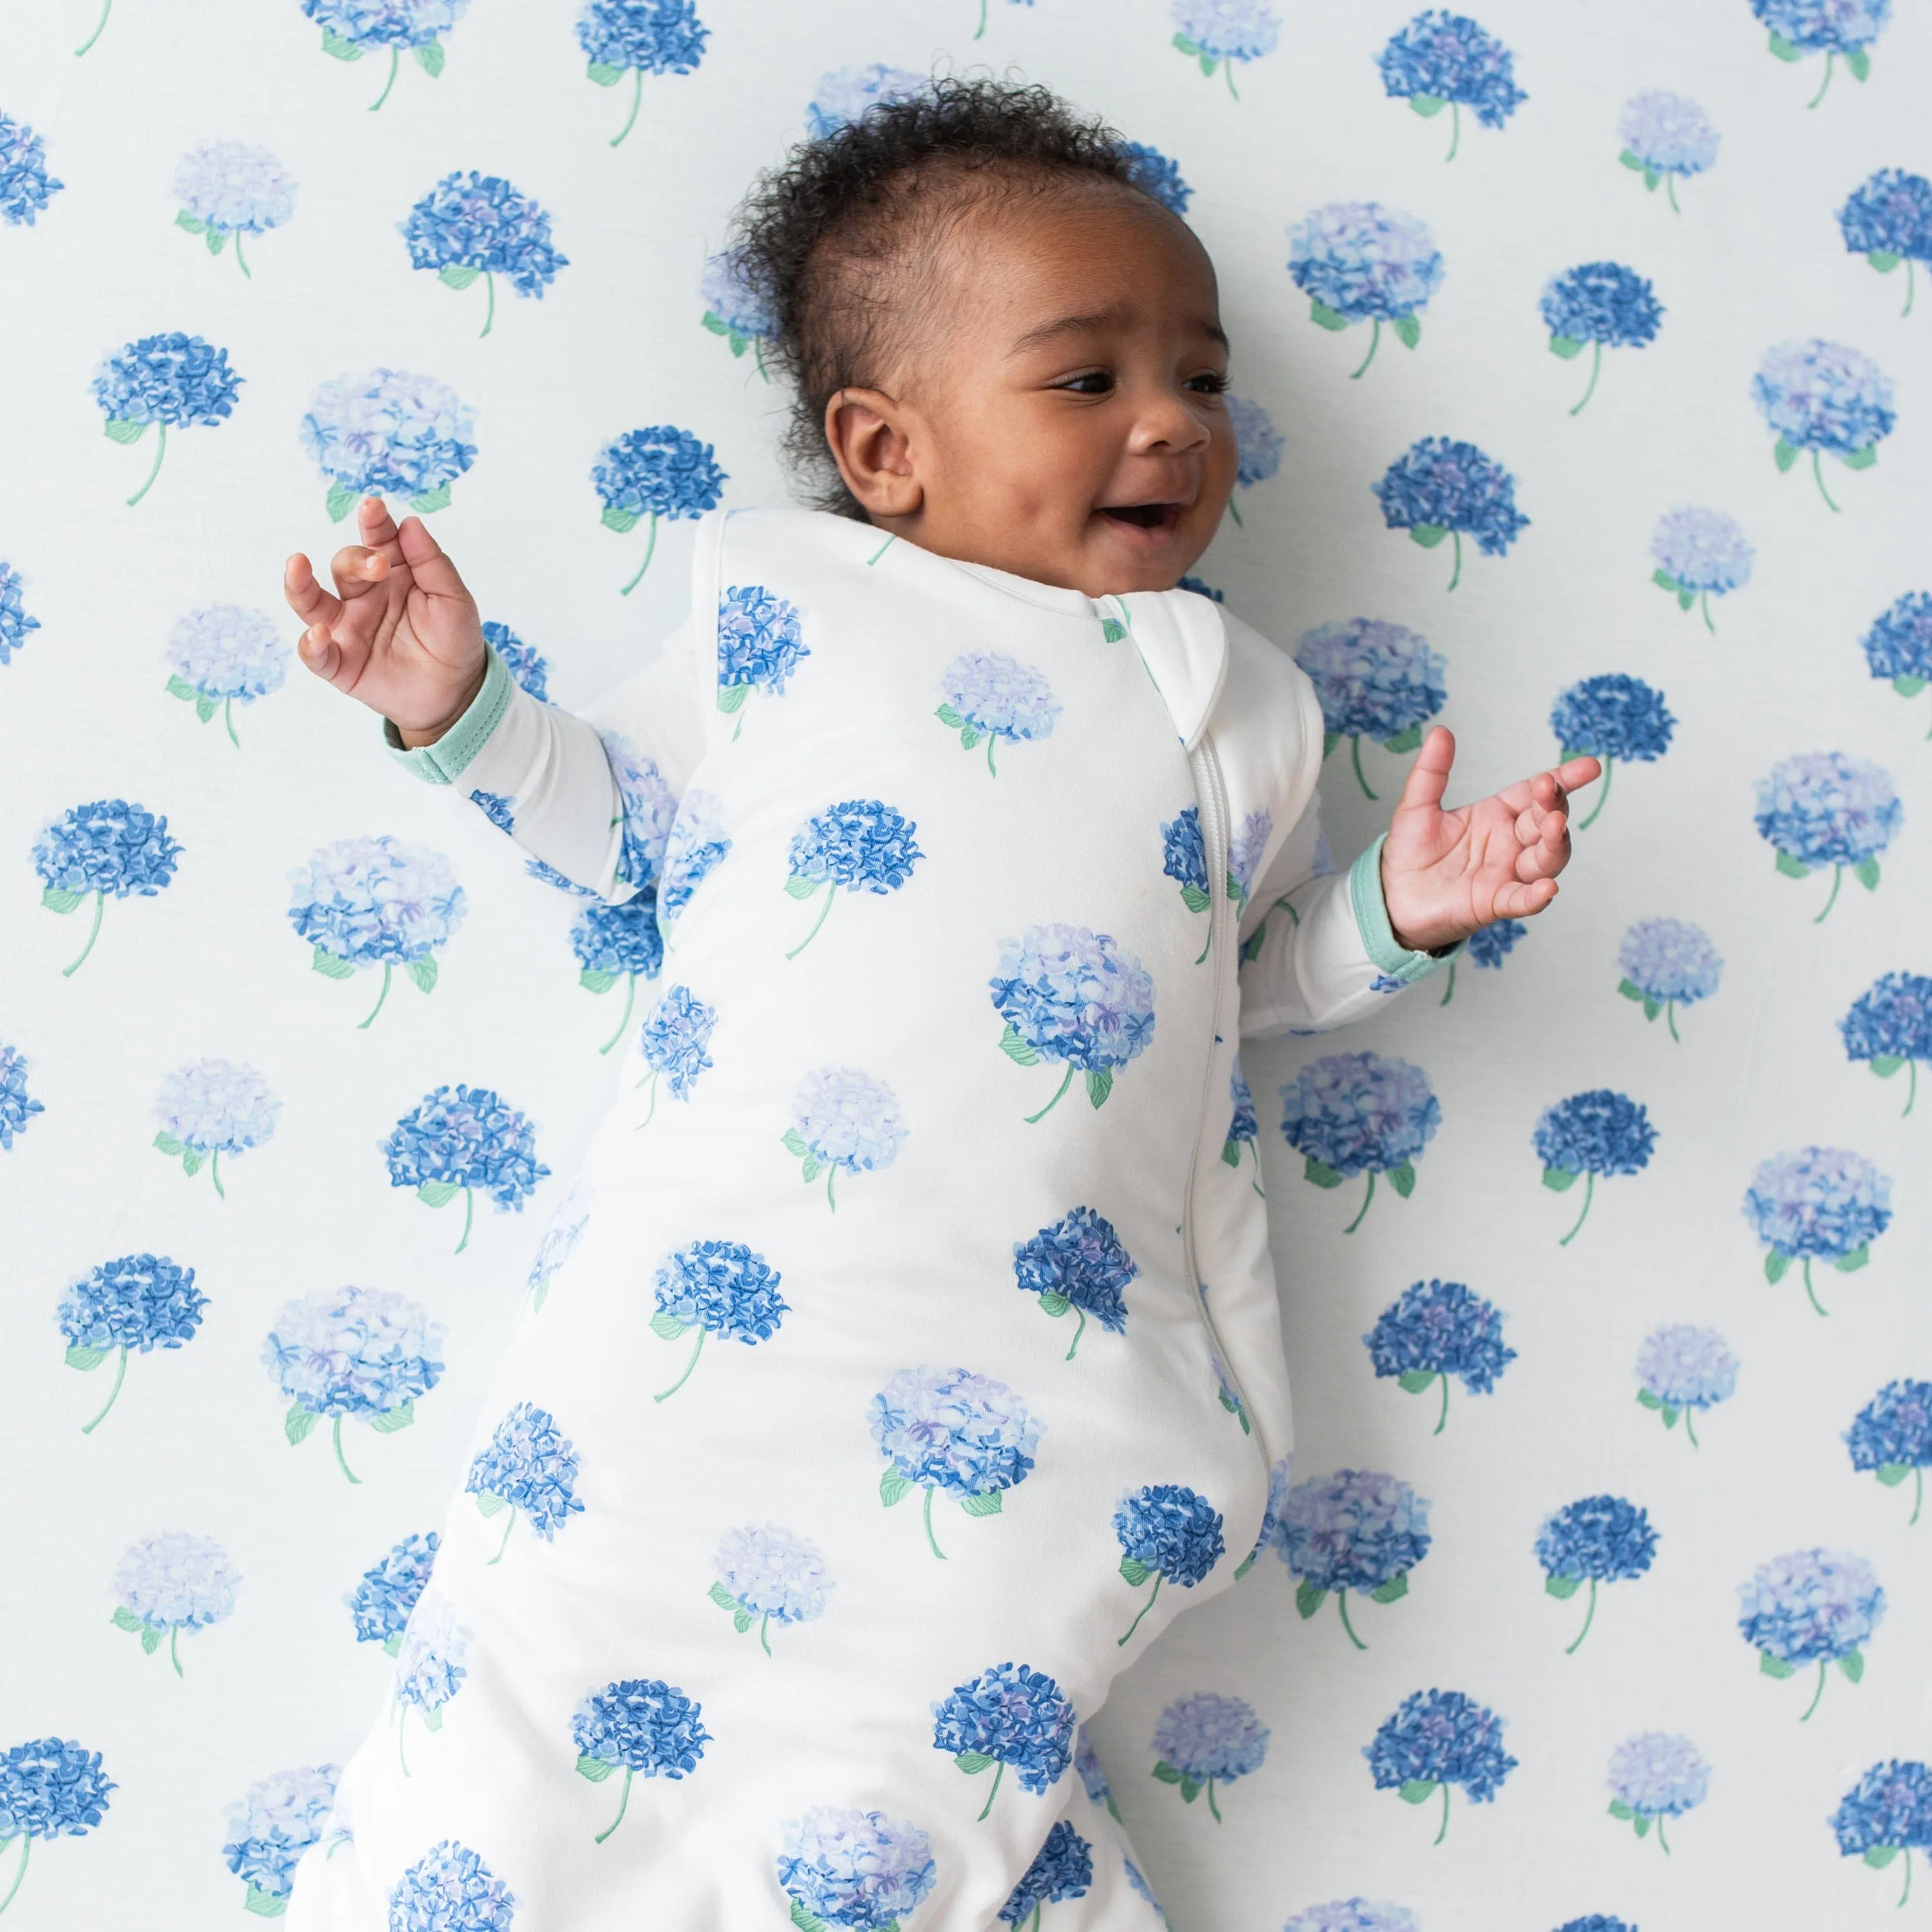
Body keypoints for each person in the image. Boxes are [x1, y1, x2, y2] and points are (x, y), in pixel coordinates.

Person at [281, 77, 1595, 1932]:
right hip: (726, 1312)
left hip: (1057, 1343)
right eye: (1089, 381)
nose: (1172, 425)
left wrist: (1397, 911)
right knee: (567, 1636)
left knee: (933, 1704)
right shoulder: (787, 612)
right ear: (884, 450)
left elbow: (1245, 986)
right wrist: (457, 702)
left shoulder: (1244, 702)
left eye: (1202, 381)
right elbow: (622, 835)